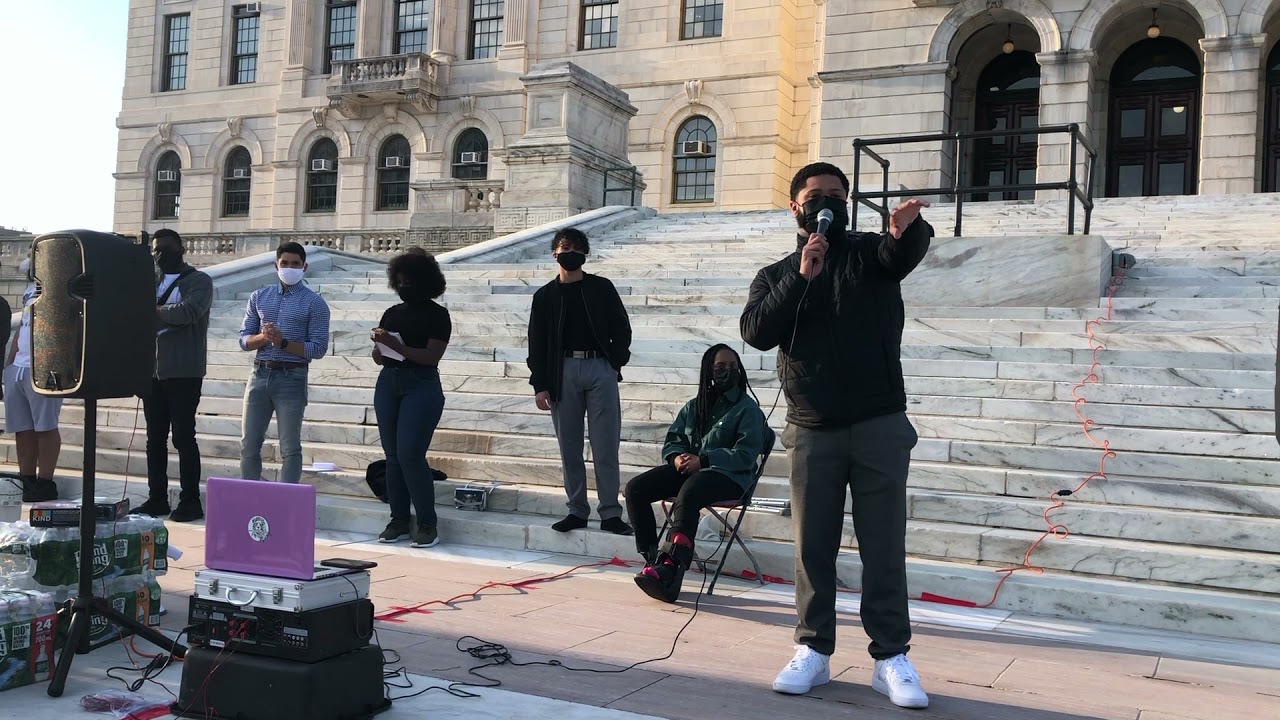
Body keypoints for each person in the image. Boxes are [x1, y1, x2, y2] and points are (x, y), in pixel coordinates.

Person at [740, 162, 934, 708]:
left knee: (884, 546)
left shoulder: (871, 253)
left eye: (835, 195)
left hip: (877, 423)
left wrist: (904, 231)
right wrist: (803, 276)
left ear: (847, 203)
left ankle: (891, 656)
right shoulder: (778, 273)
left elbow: (901, 254)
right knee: (812, 548)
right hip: (811, 430)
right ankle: (814, 649)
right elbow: (756, 333)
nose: (825, 202)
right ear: (795, 208)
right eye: (815, 195)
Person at [624, 344, 768, 604]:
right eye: (721, 367)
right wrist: (676, 456)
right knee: (636, 488)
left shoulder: (748, 410)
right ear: (709, 371)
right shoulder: (695, 406)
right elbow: (674, 439)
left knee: (691, 488)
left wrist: (704, 460)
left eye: (733, 366)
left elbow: (745, 455)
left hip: (731, 478)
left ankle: (672, 568)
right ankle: (654, 560)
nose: (728, 371)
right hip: (693, 471)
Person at [526, 228, 634, 536]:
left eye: (575, 247)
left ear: (584, 253)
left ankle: (611, 512)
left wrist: (615, 363)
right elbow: (536, 343)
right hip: (562, 371)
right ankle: (576, 509)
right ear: (555, 254)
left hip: (600, 367)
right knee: (569, 447)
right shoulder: (545, 296)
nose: (569, 252)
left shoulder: (601, 287)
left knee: (605, 445)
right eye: (564, 247)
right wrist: (540, 384)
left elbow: (621, 327)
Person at [371, 248, 451, 549]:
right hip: (389, 381)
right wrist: (381, 346)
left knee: (410, 454)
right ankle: (399, 519)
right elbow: (380, 358)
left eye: (410, 282)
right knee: (392, 456)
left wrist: (396, 346)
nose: (404, 287)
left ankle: (427, 523)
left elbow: (431, 356)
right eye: (400, 282)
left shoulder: (437, 315)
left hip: (422, 384)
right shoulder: (392, 313)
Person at [135, 229, 214, 522]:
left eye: (168, 248)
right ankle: (156, 498)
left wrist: (153, 310)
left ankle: (190, 500)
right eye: (157, 250)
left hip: (184, 371)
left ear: (181, 248)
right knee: (154, 438)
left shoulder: (198, 280)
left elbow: (188, 312)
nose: (161, 254)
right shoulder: (150, 282)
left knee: (183, 437)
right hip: (153, 372)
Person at [237, 242, 331, 484]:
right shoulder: (259, 297)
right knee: (249, 444)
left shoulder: (315, 303)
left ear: (304, 267)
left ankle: (286, 499)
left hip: (292, 377)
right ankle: (252, 495)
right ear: (275, 265)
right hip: (260, 373)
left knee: (289, 447)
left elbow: (318, 348)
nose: (290, 268)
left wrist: (283, 343)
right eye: (285, 263)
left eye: (295, 264)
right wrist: (263, 338)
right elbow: (244, 339)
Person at [4, 256, 60, 502]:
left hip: (44, 367)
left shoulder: (60, 289)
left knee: (45, 427)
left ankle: (45, 481)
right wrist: (10, 362)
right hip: (19, 366)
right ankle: (26, 479)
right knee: (22, 429)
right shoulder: (29, 291)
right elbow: (23, 327)